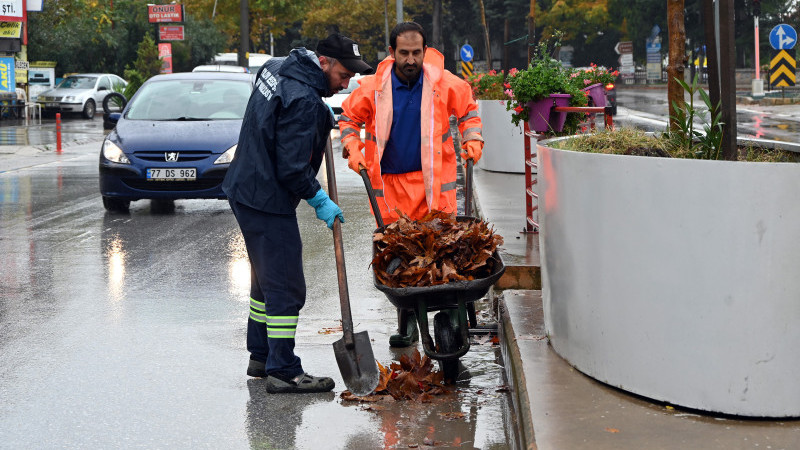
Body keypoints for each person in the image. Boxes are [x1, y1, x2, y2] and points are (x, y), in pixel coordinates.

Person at [222, 33, 374, 393]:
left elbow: (272, 121)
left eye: (352, 75)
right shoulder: (304, 99)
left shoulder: (276, 66)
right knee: (287, 287)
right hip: (266, 200)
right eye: (342, 73)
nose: (346, 81)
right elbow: (292, 169)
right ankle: (283, 369)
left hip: (244, 188)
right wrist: (320, 199)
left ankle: (260, 356)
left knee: (266, 282)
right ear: (322, 62)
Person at [338, 22, 484, 347]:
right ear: (392, 53)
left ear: (424, 51)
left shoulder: (442, 83)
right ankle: (407, 325)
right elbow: (348, 119)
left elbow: (469, 114)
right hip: (390, 191)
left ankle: (455, 320)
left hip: (434, 188)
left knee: (445, 253)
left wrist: (473, 141)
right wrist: (352, 148)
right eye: (403, 53)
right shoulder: (374, 87)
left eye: (416, 52)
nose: (410, 59)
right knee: (398, 260)